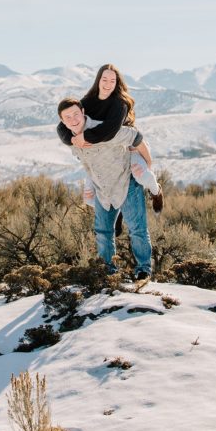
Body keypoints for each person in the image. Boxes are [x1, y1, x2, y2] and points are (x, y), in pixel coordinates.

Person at [58, 97, 153, 280]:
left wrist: (148, 163)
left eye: (76, 114)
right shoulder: (73, 142)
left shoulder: (105, 130)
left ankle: (143, 270)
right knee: (103, 232)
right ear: (63, 122)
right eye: (67, 117)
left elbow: (136, 136)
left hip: (127, 183)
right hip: (103, 190)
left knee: (137, 229)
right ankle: (108, 271)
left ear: (83, 113)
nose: (73, 119)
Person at [56, 64, 163, 214]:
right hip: (102, 153)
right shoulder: (87, 102)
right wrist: (72, 140)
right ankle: (116, 215)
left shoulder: (120, 103)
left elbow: (110, 130)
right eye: (104, 79)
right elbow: (62, 126)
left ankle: (156, 191)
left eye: (112, 81)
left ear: (117, 83)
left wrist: (84, 137)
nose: (107, 84)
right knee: (89, 196)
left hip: (128, 147)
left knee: (142, 176)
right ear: (98, 80)